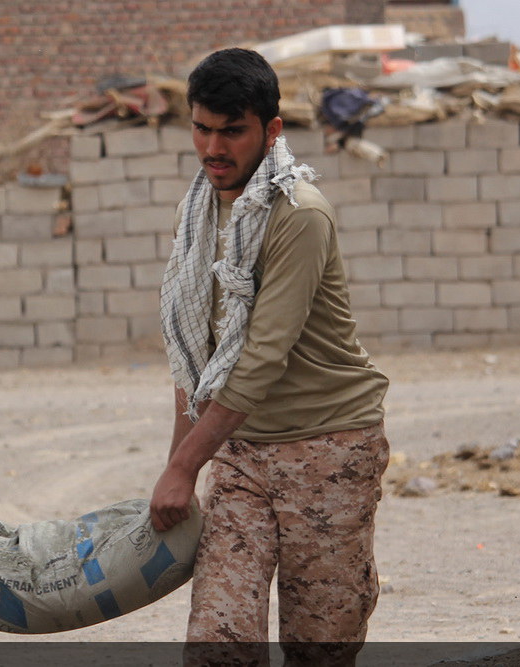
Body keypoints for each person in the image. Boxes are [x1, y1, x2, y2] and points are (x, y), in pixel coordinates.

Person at [149, 49, 390, 666]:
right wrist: (184, 465)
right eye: (202, 128)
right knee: (217, 642)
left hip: (328, 448)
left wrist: (182, 468)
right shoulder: (197, 212)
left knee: (319, 648)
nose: (213, 147)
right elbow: (193, 355)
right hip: (243, 456)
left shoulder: (299, 216)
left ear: (271, 131)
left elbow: (258, 359)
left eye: (232, 131)